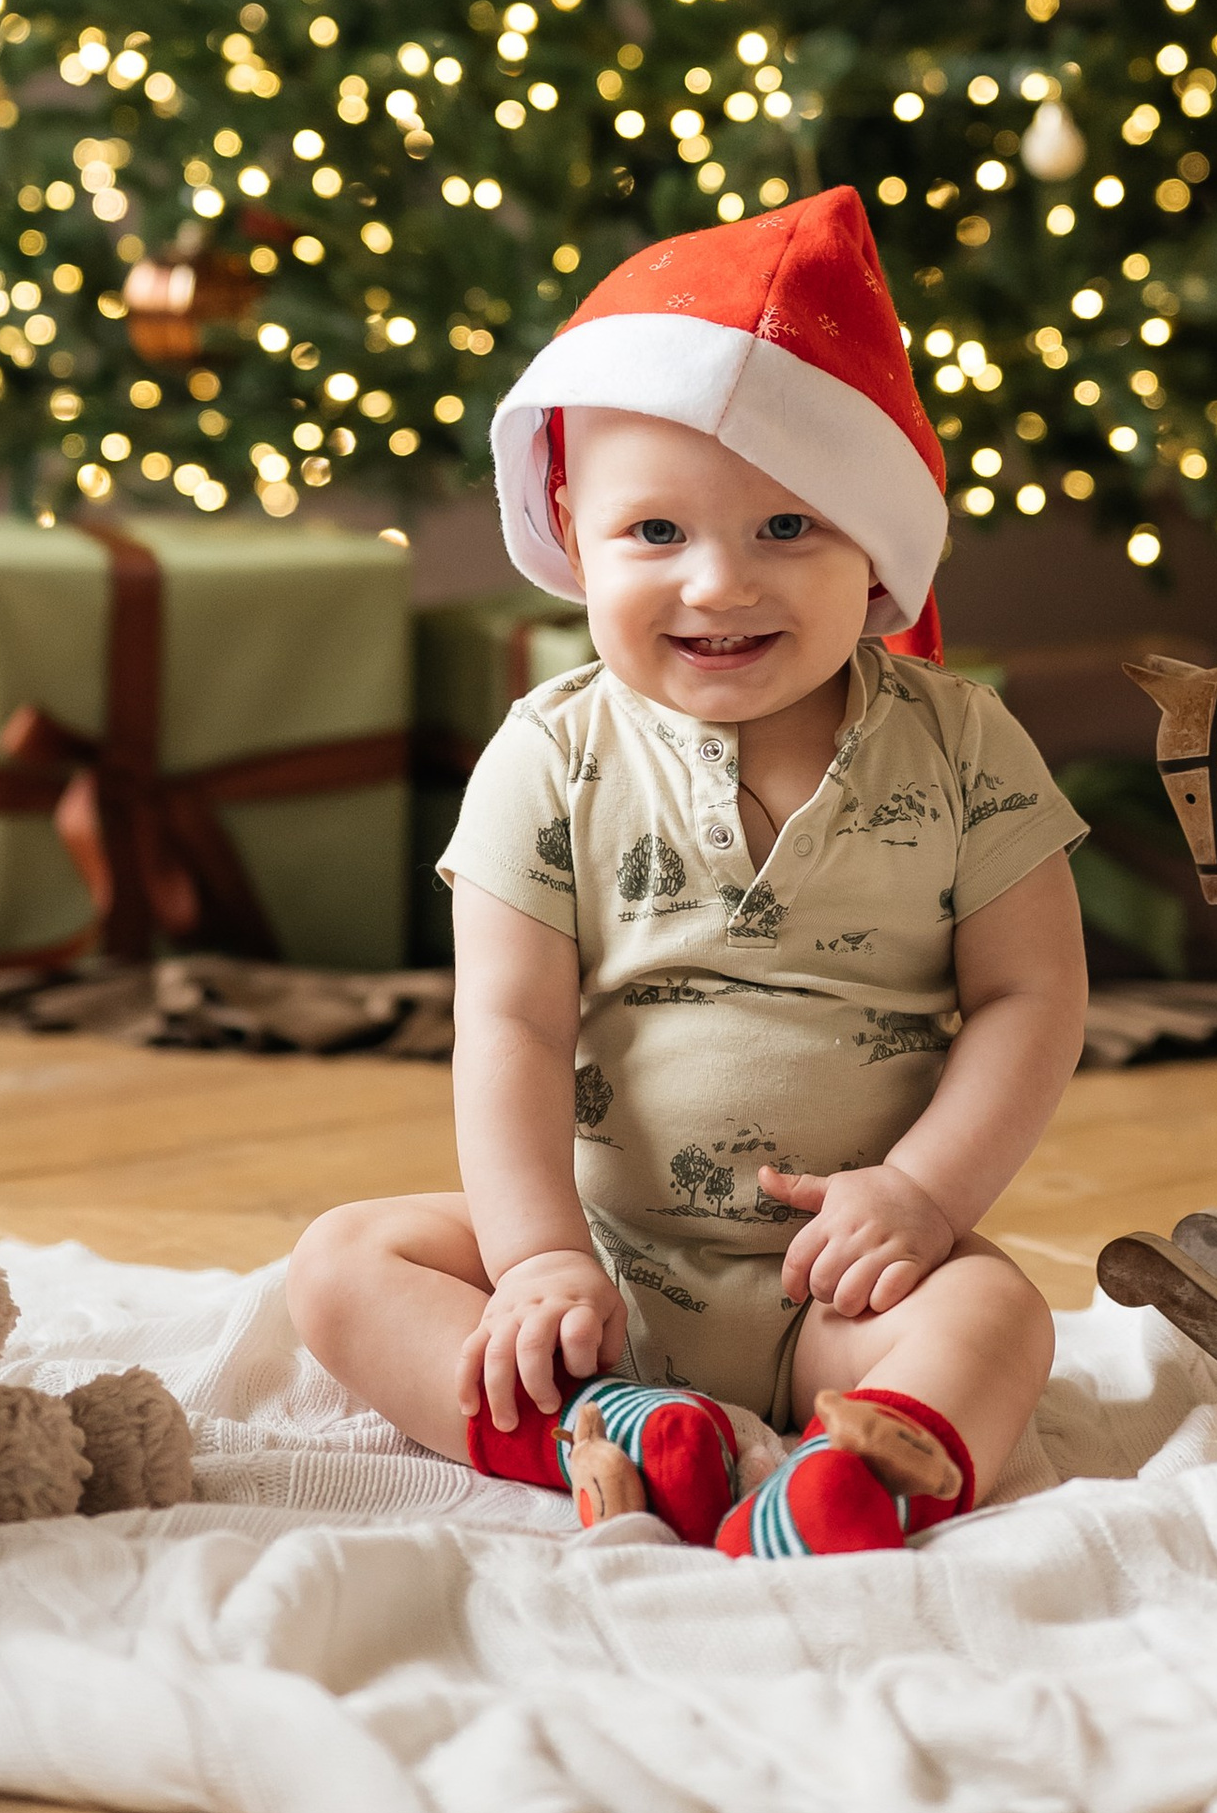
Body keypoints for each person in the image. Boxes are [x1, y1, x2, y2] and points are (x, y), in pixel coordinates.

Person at [285, 187, 1088, 1558]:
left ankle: (862, 1481)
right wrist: (539, 1259)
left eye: (787, 528)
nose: (718, 584)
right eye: (656, 533)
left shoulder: (963, 746)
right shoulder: (551, 756)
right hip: (603, 1256)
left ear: (875, 543)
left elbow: (1034, 996)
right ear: (574, 536)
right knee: (342, 1266)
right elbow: (510, 1024)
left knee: (999, 1315)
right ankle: (612, 1429)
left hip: (843, 1277)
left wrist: (926, 1195)